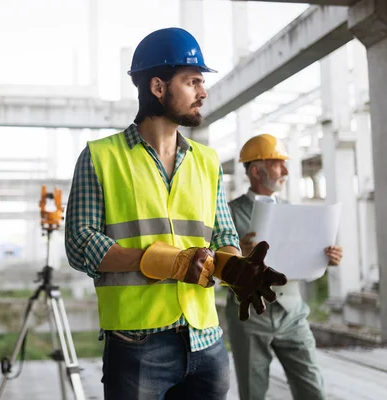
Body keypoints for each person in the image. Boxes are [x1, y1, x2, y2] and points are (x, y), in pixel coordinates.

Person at [64, 27, 287, 400]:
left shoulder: (208, 161)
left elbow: (224, 238)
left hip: (206, 342)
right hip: (136, 345)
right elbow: (80, 242)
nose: (203, 92)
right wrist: (171, 262)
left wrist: (233, 268)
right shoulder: (101, 157)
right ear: (157, 88)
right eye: (193, 81)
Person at [226, 133, 344, 400]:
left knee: (313, 389)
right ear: (256, 170)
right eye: (278, 164)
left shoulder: (293, 211)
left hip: (293, 313)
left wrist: (327, 256)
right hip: (250, 319)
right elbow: (216, 265)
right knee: (253, 392)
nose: (286, 171)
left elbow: (301, 258)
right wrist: (238, 257)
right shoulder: (229, 213)